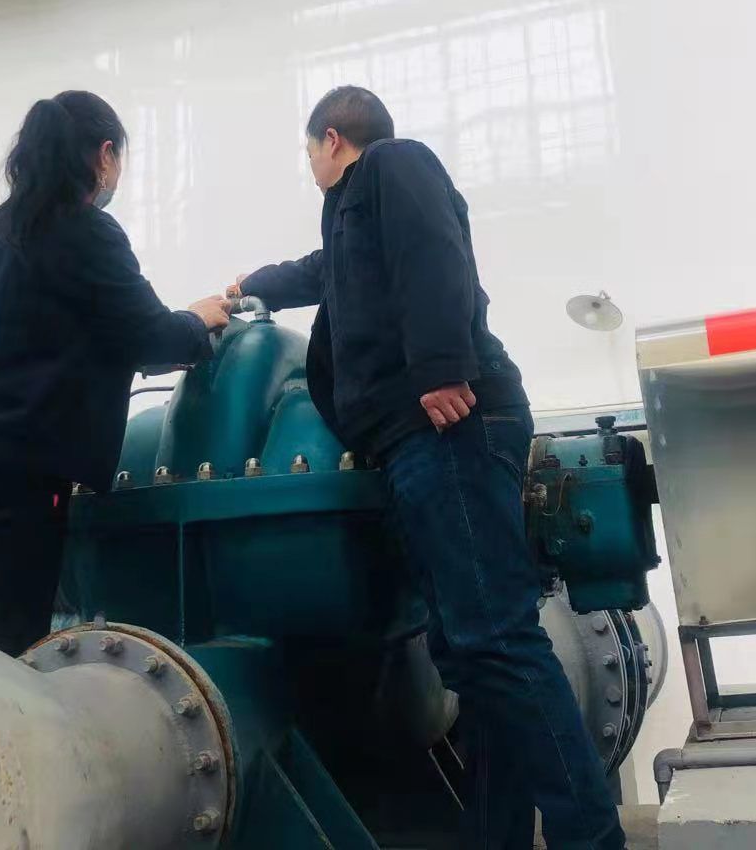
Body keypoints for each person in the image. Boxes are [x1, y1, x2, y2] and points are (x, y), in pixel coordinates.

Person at [229, 86, 625, 850]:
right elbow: (318, 271)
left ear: (333, 139)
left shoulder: (393, 166)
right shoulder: (352, 221)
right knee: (472, 657)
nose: (309, 165)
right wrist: (243, 291)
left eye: (309, 150)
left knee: (496, 642)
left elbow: (434, 250)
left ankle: (591, 838)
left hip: (450, 424)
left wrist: (442, 366)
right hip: (417, 439)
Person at [0, 90, 230, 656]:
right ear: (105, 156)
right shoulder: (85, 230)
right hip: (3, 487)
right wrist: (196, 321)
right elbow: (148, 336)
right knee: (0, 669)